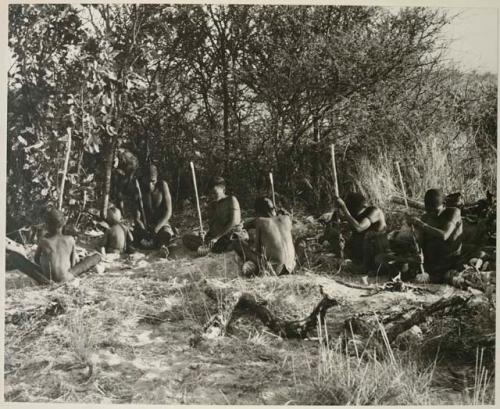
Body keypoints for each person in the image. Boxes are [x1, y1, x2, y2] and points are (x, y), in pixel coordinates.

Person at [408, 188, 463, 283]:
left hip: (450, 261)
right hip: (432, 263)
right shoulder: (426, 217)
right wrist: (418, 253)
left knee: (450, 277)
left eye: (435, 211)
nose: (432, 214)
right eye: (429, 211)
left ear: (444, 204)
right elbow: (420, 243)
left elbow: (444, 235)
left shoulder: (454, 212)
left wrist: (422, 224)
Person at [183, 176, 248, 253]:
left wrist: (217, 237)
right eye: (210, 193)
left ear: (223, 188)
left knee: (235, 242)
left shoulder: (231, 200)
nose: (212, 195)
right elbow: (212, 225)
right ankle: (204, 249)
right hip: (214, 238)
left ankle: (210, 248)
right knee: (186, 238)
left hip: (228, 235)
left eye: (214, 192)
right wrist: (204, 233)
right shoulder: (213, 205)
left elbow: (234, 223)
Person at [234, 197, 296, 276]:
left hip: (275, 269)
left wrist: (247, 241)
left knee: (236, 243)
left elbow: (258, 250)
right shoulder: (287, 218)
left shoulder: (260, 221)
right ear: (273, 209)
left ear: (258, 212)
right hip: (291, 266)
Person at [333, 192, 387, 272]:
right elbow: (350, 226)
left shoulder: (375, 211)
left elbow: (359, 228)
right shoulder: (358, 214)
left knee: (368, 234)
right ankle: (357, 261)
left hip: (378, 251)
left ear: (361, 206)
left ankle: (364, 267)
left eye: (352, 210)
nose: (353, 213)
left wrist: (344, 208)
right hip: (366, 252)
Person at [133, 164, 175, 252]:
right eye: (147, 181)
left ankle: (162, 247)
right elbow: (137, 217)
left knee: (165, 234)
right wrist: (143, 230)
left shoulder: (162, 186)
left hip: (161, 224)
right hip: (146, 225)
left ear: (157, 178)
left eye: (153, 181)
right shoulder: (139, 189)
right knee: (134, 236)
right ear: (143, 178)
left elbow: (168, 212)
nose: (150, 185)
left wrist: (156, 229)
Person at [34, 208, 77, 282]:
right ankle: (98, 257)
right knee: (92, 259)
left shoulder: (43, 241)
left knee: (16, 257)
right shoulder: (71, 239)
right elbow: (73, 264)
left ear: (47, 226)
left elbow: (36, 259)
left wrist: (45, 265)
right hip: (66, 278)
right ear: (63, 224)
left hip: (47, 279)